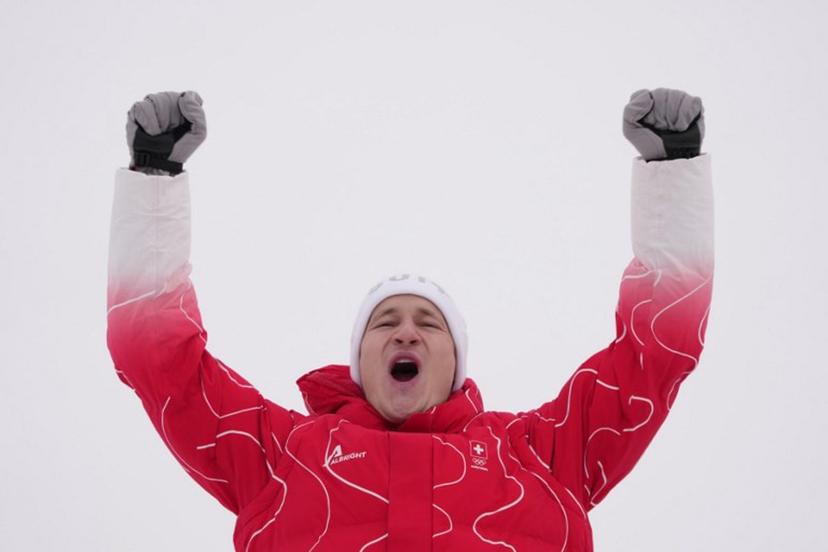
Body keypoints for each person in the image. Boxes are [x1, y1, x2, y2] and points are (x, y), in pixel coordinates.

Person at [107, 87, 713, 551]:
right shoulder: (281, 456)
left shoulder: (540, 455)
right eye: (384, 322)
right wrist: (154, 180)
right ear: (360, 362)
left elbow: (652, 358)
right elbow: (162, 365)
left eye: (429, 322)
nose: (405, 330)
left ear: (456, 362)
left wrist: (673, 172)